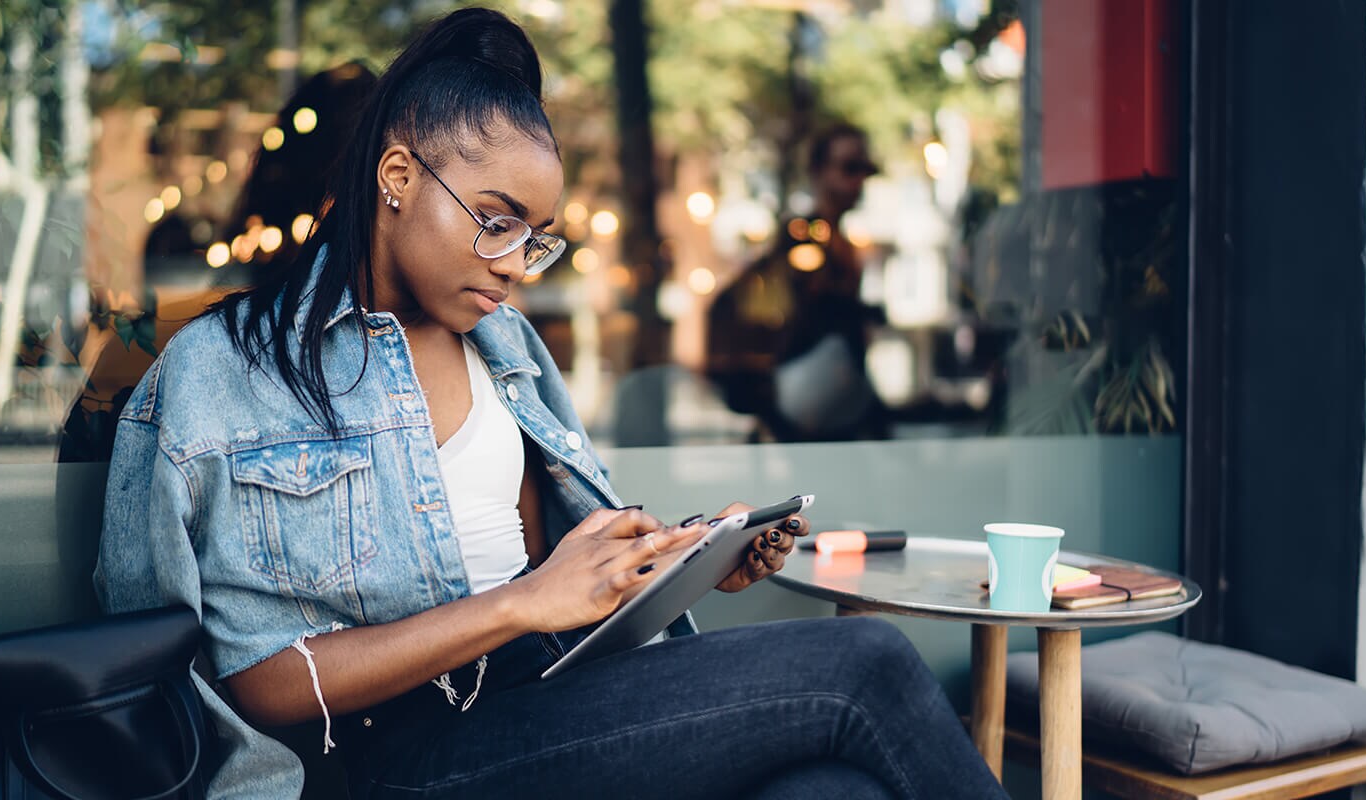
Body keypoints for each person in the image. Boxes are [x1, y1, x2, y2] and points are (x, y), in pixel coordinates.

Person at [96, 9, 1006, 799]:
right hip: (396, 759)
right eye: (494, 220)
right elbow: (248, 683)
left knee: (828, 790)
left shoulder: (506, 349)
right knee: (866, 664)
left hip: (545, 705)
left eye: (534, 240)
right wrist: (523, 606)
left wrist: (680, 559)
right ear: (399, 177)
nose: (511, 264)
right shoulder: (226, 370)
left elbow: (548, 570)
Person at [707, 123, 887, 442]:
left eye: (865, 170)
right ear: (819, 171)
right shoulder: (804, 240)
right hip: (803, 402)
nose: (859, 181)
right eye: (849, 168)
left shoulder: (838, 242)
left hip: (827, 404)